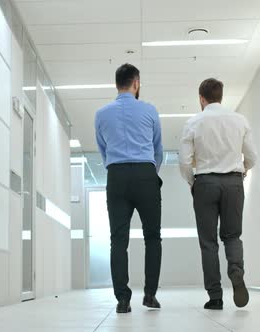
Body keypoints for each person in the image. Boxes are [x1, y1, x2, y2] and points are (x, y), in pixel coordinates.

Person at [179, 78, 257, 310]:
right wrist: (242, 172)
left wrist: (193, 181)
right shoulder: (239, 120)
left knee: (208, 242)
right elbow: (252, 156)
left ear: (201, 99)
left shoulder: (193, 121)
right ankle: (236, 272)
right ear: (221, 96)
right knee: (232, 236)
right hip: (233, 182)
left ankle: (215, 297)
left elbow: (184, 161)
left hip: (205, 183)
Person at [95, 63, 164, 314]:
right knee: (153, 237)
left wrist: (116, 168)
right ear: (136, 84)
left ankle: (123, 300)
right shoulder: (149, 110)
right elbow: (158, 149)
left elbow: (103, 149)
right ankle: (150, 295)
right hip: (146, 174)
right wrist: (148, 173)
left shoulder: (101, 114)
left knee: (118, 240)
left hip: (117, 176)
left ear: (117, 84)